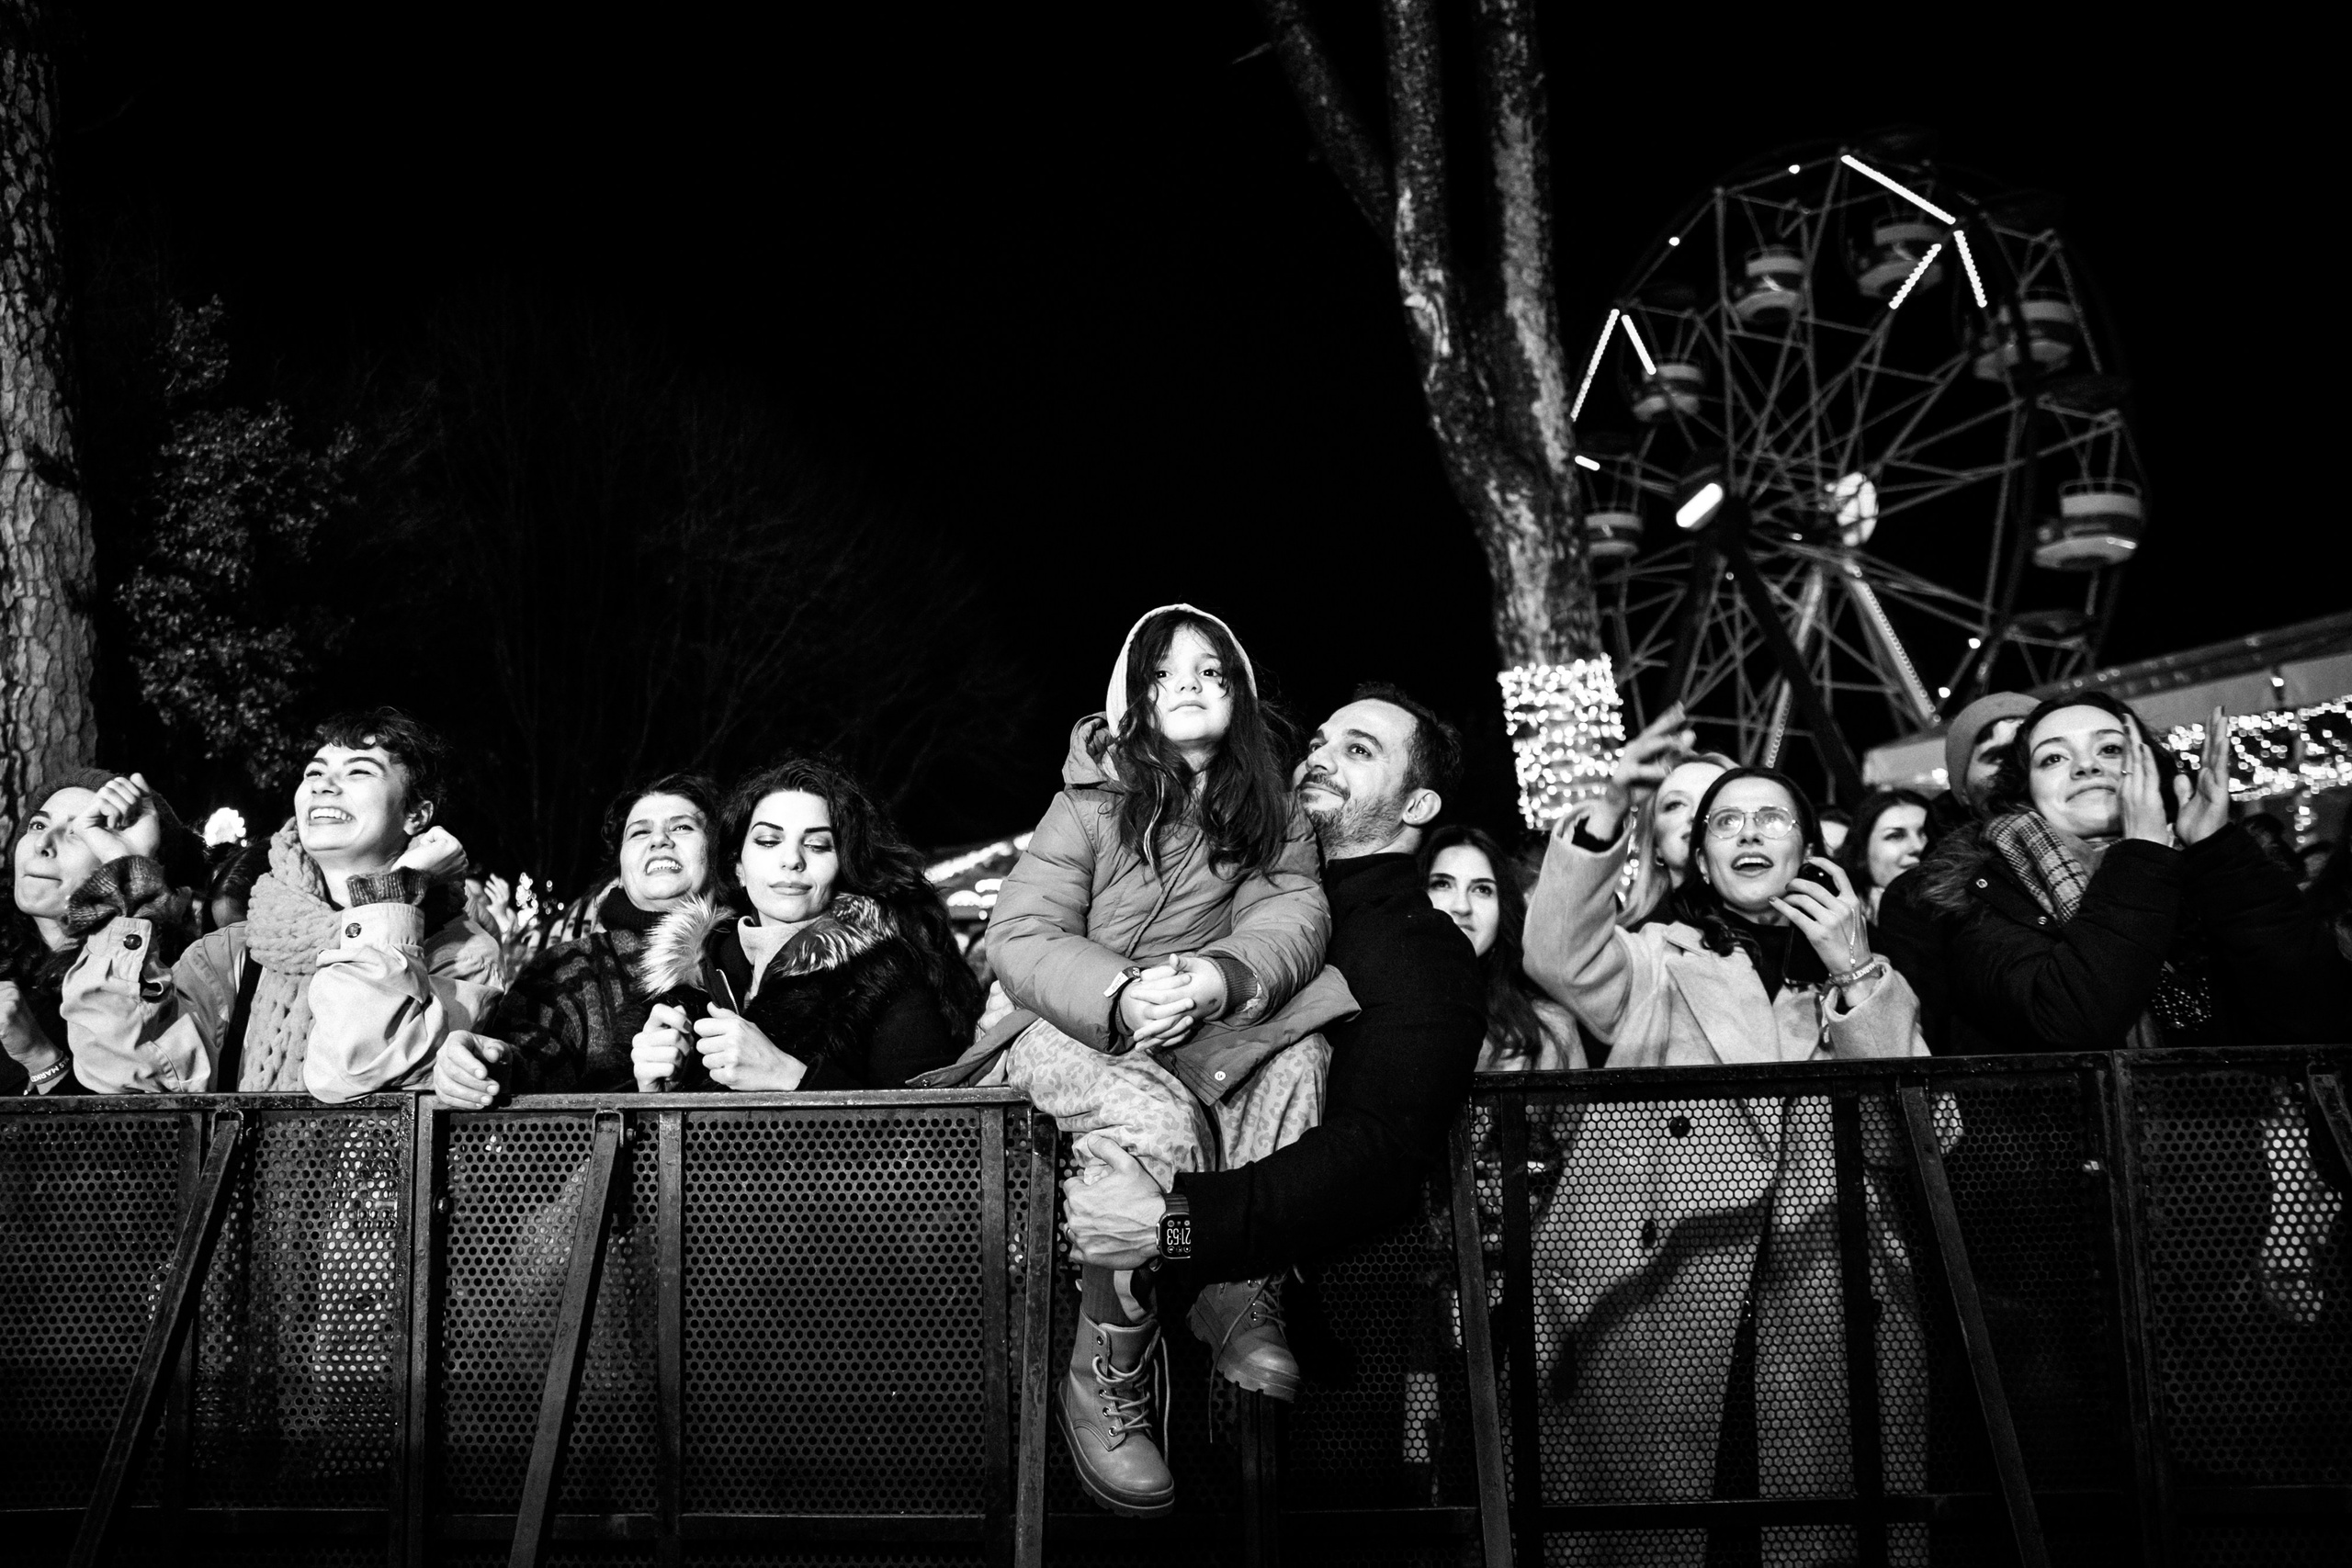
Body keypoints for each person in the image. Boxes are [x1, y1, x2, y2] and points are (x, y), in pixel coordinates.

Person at [920, 604, 1348, 1518]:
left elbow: (1294, 919)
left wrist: (1216, 979)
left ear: (1238, 695)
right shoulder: (1087, 803)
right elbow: (1021, 934)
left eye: (1211, 671)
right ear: (1134, 697)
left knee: (1300, 1059)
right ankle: (1107, 1361)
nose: (1188, 685)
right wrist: (1120, 993)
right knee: (1149, 1117)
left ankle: (1232, 1284)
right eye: (1165, 672)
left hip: (1199, 1030)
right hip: (1056, 1033)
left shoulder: (1272, 810)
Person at [1520, 706, 1933, 1567]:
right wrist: (1606, 810)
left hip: (1817, 1296)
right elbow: (1557, 953)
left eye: (1772, 817)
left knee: (1811, 1530)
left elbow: (1926, 1132)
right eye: (1726, 821)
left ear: (1809, 846)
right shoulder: (1655, 957)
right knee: (1660, 1537)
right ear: (1699, 856)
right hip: (1661, 1292)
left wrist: (1856, 971)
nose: (1749, 832)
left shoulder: (1856, 974)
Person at [1057, 682, 1486, 1508]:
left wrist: (1178, 1224)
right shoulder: (1235, 892)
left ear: (1419, 801)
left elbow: (1379, 1153)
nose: (1319, 756)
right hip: (1127, 1321)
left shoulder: (1416, 947)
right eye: (1319, 740)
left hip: (1319, 1367)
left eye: (1359, 750)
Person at [59, 709, 503, 1098]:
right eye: (314, 772)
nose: (325, 786)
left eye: (359, 772)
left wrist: (394, 892)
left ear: (417, 815)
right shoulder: (238, 949)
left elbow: (354, 1069)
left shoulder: (459, 953)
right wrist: (126, 869)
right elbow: (130, 1071)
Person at [1920, 696, 2349, 1052]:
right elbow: (2072, 1023)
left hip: (2229, 1148)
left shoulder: (2216, 863)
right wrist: (2141, 857)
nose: (2086, 767)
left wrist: (2217, 849)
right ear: (2026, 790)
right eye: (2052, 758)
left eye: (2110, 749)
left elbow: (2314, 1012)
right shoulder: (1986, 891)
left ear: (2151, 769)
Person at [628, 754, 978, 1093]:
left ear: (844, 866)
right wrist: (653, 1092)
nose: (793, 859)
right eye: (768, 841)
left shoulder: (888, 978)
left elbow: (931, 1140)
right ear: (738, 867)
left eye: (817, 845)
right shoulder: (689, 979)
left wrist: (793, 1077)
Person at [433, 774, 723, 1106]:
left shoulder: (755, 954)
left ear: (720, 853)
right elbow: (530, 1061)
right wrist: (483, 1064)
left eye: (682, 827)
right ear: (621, 870)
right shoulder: (568, 967)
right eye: (640, 832)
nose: (659, 840)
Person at [4, 769, 202, 1096]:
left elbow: (134, 1136)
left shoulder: (153, 988)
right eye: (38, 824)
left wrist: (40, 1058)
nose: (42, 843)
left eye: (79, 833)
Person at [1875, 692, 2035, 1053]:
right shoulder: (1920, 896)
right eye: (1995, 756)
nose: (2015, 768)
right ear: (1961, 787)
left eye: (2027, 750)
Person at [1616, 749, 1736, 930]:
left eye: (1714, 801)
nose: (1696, 815)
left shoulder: (1789, 929)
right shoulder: (1626, 946)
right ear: (1655, 843)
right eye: (1675, 804)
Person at [1838, 786, 1934, 924]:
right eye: (1896, 836)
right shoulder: (1842, 925)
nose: (1918, 847)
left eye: (1926, 833)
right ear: (1863, 853)